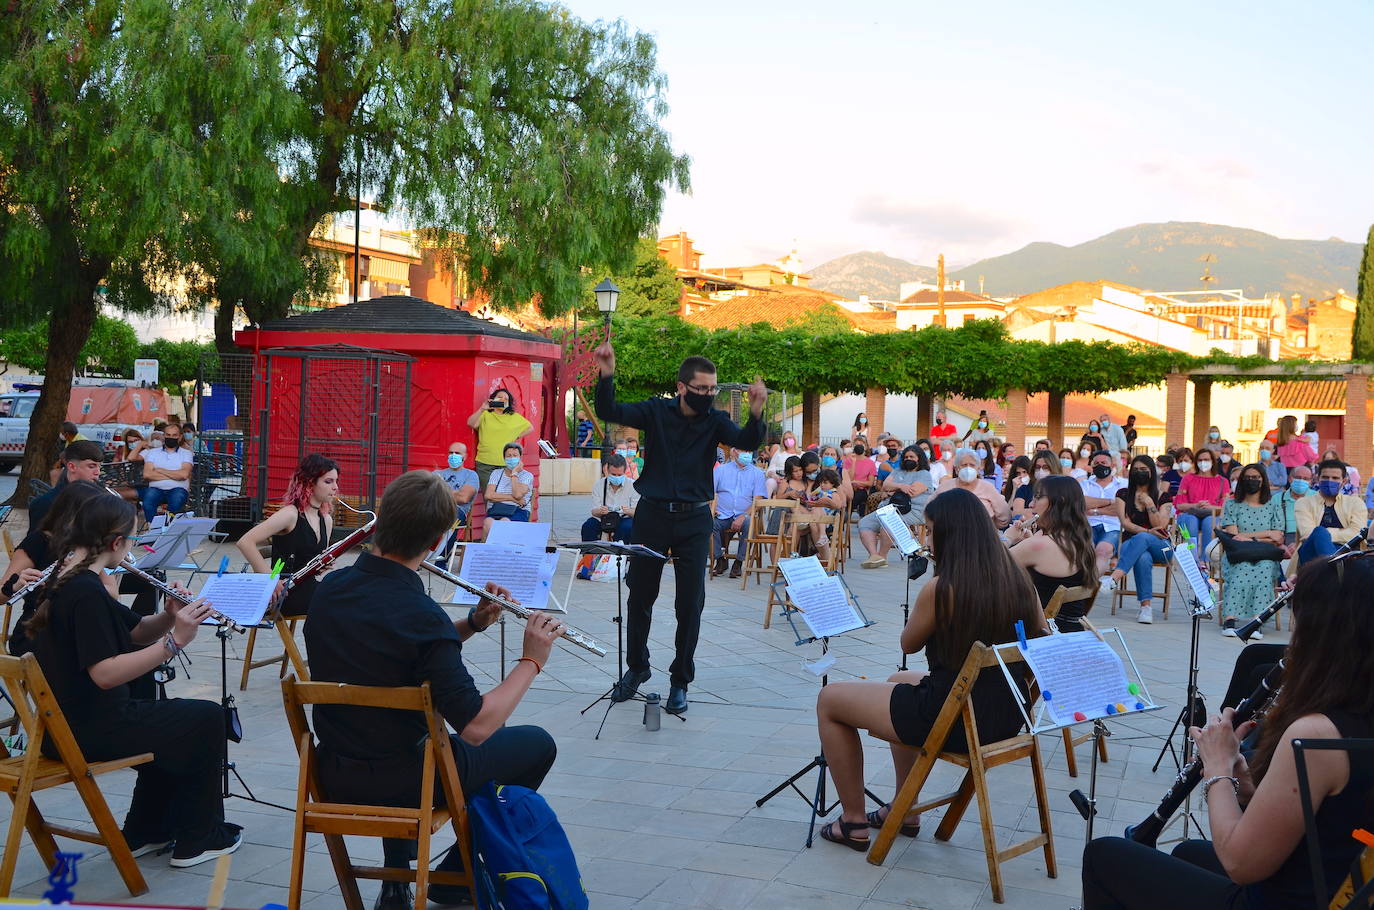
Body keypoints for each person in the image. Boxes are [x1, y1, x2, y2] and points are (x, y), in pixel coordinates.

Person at [304, 471, 561, 910]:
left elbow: (396, 650)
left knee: (396, 733)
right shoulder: (421, 614)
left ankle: (396, 885)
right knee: (535, 745)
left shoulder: (329, 591)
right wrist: (532, 659)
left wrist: (474, 623)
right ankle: (452, 879)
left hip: (333, 773)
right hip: (408, 782)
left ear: (381, 521)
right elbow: (477, 725)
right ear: (439, 541)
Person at [1081, 555, 1374, 910]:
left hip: (1286, 900)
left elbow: (1240, 863)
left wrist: (1218, 768)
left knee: (1104, 856)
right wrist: (1248, 789)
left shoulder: (1318, 734)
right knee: (1187, 852)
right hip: (1334, 883)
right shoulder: (1358, 713)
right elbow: (1331, 822)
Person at [815, 488, 1046, 851]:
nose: (927, 537)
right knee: (897, 681)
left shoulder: (944, 588)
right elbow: (1042, 638)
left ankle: (853, 820)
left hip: (954, 719)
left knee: (830, 700)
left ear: (950, 535)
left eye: (931, 529)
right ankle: (904, 810)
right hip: (1002, 716)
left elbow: (908, 644)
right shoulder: (1021, 584)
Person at [26, 494, 241, 868]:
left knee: (170, 717)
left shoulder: (71, 580)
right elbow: (105, 673)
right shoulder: (85, 593)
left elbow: (136, 632)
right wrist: (175, 644)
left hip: (65, 726)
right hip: (87, 730)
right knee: (206, 718)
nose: (132, 548)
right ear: (115, 543)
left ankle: (148, 829)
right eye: (131, 539)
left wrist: (171, 616)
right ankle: (199, 837)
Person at [593, 342, 765, 716]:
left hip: (693, 518)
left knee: (690, 603)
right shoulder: (657, 411)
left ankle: (680, 681)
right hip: (651, 515)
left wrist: (756, 412)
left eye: (712, 389)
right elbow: (609, 410)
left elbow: (748, 440)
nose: (708, 395)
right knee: (640, 596)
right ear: (683, 386)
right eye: (702, 389)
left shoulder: (715, 421)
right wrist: (607, 373)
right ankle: (637, 667)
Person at [3, 481, 107, 655]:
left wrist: (85, 572)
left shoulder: (94, 544)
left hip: (81, 625)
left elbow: (112, 593)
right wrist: (15, 585)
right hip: (38, 628)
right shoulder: (39, 541)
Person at [236, 454, 338, 618]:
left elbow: (310, 564)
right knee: (342, 601)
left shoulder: (326, 520)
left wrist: (322, 567)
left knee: (346, 592)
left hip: (308, 588)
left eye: (336, 481)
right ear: (310, 483)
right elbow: (245, 542)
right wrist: (271, 580)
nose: (335, 487)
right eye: (328, 481)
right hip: (284, 595)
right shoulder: (290, 514)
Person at [1006, 475, 1099, 632]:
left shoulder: (1039, 545)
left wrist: (1007, 538)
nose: (1031, 504)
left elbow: (988, 568)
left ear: (1059, 501)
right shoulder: (1083, 541)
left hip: (1042, 638)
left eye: (1038, 497)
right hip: (1073, 631)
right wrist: (1027, 541)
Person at [1103, 455, 1175, 624]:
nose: (1139, 473)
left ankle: (1115, 577)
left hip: (1162, 546)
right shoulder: (1123, 494)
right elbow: (1125, 523)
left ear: (1152, 472)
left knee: (1143, 537)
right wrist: (1148, 531)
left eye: (1144, 470)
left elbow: (1161, 526)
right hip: (1131, 544)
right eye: (1136, 470)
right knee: (1143, 556)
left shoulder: (1164, 497)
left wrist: (1150, 503)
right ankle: (1146, 608)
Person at [1218, 464, 1287, 637]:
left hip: (1265, 554)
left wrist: (1251, 538)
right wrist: (1266, 534)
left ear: (1263, 480)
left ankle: (1257, 621)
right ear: (1242, 480)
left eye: (1256, 477)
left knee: (1263, 569)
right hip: (1238, 554)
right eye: (1248, 477)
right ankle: (1230, 620)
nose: (1252, 481)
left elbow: (1278, 537)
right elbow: (1234, 537)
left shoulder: (1273, 505)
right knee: (1243, 569)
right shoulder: (1232, 505)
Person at [1295, 459, 1365, 564]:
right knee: (1319, 532)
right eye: (1325, 477)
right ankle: (1335, 569)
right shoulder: (1304, 503)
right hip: (1311, 554)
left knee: (1319, 533)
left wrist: (1325, 534)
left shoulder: (1355, 503)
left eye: (1335, 478)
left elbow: (1358, 534)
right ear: (1318, 478)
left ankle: (1331, 570)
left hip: (1346, 553)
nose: (1329, 481)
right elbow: (1307, 534)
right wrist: (1338, 533)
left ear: (1344, 481)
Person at [711, 447, 765, 578]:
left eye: (748, 451)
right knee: (709, 524)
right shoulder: (721, 470)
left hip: (745, 514)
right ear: (734, 452)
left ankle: (739, 562)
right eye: (743, 451)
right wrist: (713, 508)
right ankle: (720, 560)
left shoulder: (757, 473)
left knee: (748, 524)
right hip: (723, 514)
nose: (746, 454)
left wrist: (744, 515)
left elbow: (758, 501)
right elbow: (711, 492)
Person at [466, 388, 532, 494]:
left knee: (505, 495)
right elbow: (471, 423)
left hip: (506, 463)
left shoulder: (513, 417)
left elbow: (530, 428)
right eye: (500, 397)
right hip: (485, 464)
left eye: (506, 398)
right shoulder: (485, 414)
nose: (503, 399)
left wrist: (516, 437)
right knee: (489, 496)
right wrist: (482, 409)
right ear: (493, 399)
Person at [28, 440, 105, 529]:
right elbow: (36, 541)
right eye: (91, 466)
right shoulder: (46, 504)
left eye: (99, 467)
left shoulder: (99, 498)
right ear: (71, 467)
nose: (98, 472)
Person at [1174, 447, 1228, 569]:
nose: (1203, 462)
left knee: (1210, 523)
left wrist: (1210, 506)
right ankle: (1192, 558)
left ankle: (1206, 559)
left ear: (1213, 461)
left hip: (1212, 514)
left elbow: (1225, 506)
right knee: (1191, 522)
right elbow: (1180, 505)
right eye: (1200, 459)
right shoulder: (1188, 478)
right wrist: (1195, 505)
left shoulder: (1222, 481)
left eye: (1206, 459)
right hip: (1189, 514)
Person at [1079, 450, 1127, 571]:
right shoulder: (1084, 484)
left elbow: (1123, 509)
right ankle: (1085, 584)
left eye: (1104, 462)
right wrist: (1111, 501)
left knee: (1103, 551)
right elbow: (1082, 503)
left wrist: (1095, 510)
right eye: (1096, 463)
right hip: (1087, 526)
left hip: (1113, 527)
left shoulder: (1123, 484)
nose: (1100, 465)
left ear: (1112, 465)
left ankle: (1092, 585)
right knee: (1086, 551)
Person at [138, 423, 194, 523]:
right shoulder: (152, 452)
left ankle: (167, 528)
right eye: (168, 435)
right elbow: (147, 474)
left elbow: (184, 475)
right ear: (164, 435)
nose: (170, 437)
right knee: (147, 502)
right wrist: (175, 475)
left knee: (176, 501)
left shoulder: (186, 453)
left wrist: (160, 470)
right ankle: (153, 529)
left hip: (178, 489)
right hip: (156, 489)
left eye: (174, 435)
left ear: (180, 437)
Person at [433, 442, 479, 561]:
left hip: (457, 510)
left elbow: (463, 498)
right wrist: (454, 493)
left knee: (450, 517)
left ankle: (441, 561)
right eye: (451, 452)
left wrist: (441, 487)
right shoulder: (437, 473)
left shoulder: (471, 475)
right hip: (434, 508)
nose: (453, 455)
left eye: (457, 453)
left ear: (465, 457)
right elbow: (428, 496)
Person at [582, 453, 638, 544]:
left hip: (624, 518)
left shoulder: (633, 486)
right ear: (607, 471)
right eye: (613, 474)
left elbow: (637, 512)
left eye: (619, 475)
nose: (616, 477)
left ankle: (620, 556)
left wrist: (628, 511)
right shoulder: (598, 485)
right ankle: (589, 556)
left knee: (627, 527)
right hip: (603, 518)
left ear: (625, 472)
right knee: (588, 526)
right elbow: (593, 511)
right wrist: (600, 511)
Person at [482, 443, 534, 536]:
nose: (511, 458)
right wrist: (512, 499)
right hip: (498, 509)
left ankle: (499, 548)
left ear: (520, 457)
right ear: (504, 458)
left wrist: (514, 473)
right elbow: (488, 495)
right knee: (488, 522)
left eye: (515, 455)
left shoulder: (527, 475)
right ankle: (496, 548)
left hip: (519, 511)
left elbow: (517, 494)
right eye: (508, 456)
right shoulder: (496, 473)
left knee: (504, 522)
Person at [1002, 455, 1034, 523]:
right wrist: (1014, 490)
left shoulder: (1033, 487)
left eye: (1024, 472)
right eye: (1018, 473)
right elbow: (1007, 512)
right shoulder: (1011, 485)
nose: (1021, 476)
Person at [849, 443, 878, 515]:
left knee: (857, 496)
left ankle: (846, 514)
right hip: (849, 489)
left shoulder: (870, 463)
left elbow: (870, 483)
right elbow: (849, 478)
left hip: (862, 490)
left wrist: (856, 482)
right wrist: (853, 463)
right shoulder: (849, 461)